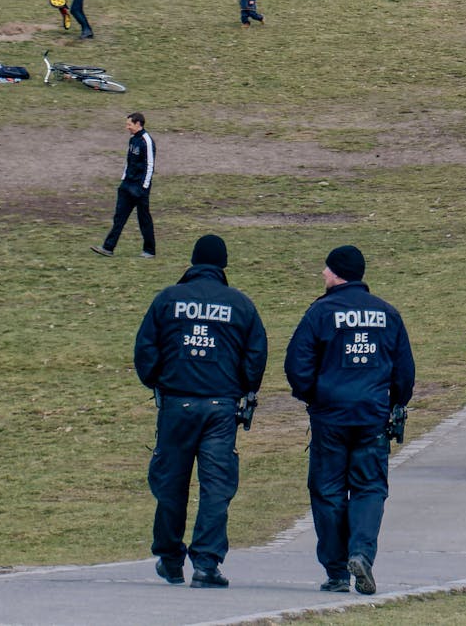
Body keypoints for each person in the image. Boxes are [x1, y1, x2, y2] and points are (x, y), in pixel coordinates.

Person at [133, 234, 268, 589]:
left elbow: (145, 349)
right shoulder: (240, 304)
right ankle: (206, 564)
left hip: (176, 404)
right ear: (223, 265)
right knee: (216, 488)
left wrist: (160, 382)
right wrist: (242, 388)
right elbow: (256, 357)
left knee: (170, 484)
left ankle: (170, 558)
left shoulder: (167, 299)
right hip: (221, 408)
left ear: (193, 263)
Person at [285, 245, 416, 596]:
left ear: (338, 272)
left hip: (330, 416)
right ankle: (361, 553)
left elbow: (296, 365)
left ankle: (337, 570)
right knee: (369, 488)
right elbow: (404, 371)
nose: (323, 275)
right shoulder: (387, 314)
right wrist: (396, 401)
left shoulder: (321, 312)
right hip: (373, 416)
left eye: (326, 270)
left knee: (327, 491)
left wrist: (314, 396)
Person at [93, 112, 156, 259]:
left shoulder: (146, 141)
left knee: (144, 220)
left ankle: (150, 250)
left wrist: (144, 187)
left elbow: (150, 165)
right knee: (119, 217)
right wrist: (124, 178)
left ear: (138, 124)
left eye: (129, 124)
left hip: (139, 188)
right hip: (127, 185)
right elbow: (129, 161)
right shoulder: (133, 139)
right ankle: (108, 247)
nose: (127, 127)